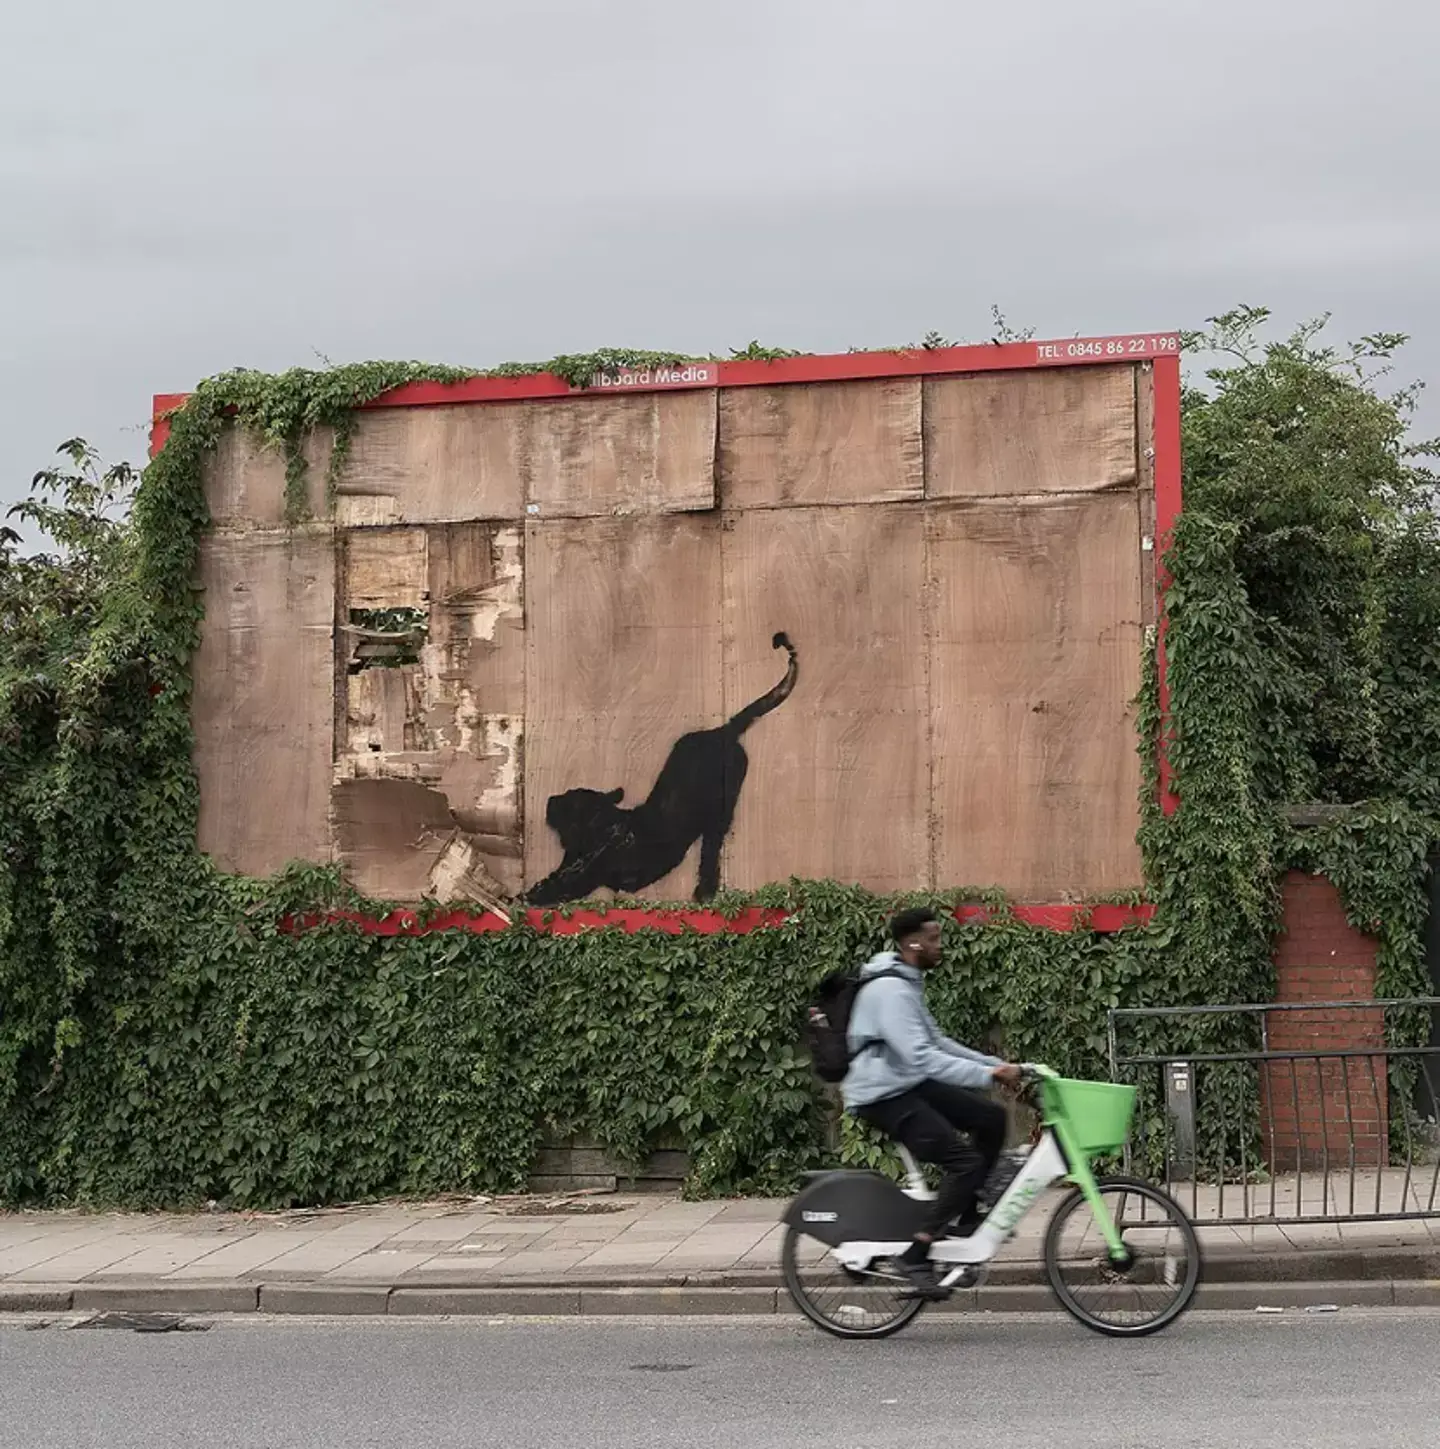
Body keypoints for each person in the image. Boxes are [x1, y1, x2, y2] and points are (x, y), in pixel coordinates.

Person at [842, 906, 1022, 1299]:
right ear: (913, 943)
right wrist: (989, 1075)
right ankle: (917, 1253)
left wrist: (998, 1066)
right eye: (935, 938)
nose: (941, 946)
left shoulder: (905, 982)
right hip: (883, 1094)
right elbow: (922, 1057)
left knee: (990, 1118)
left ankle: (966, 1215)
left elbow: (936, 1043)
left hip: (905, 1082)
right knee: (965, 1161)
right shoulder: (890, 991)